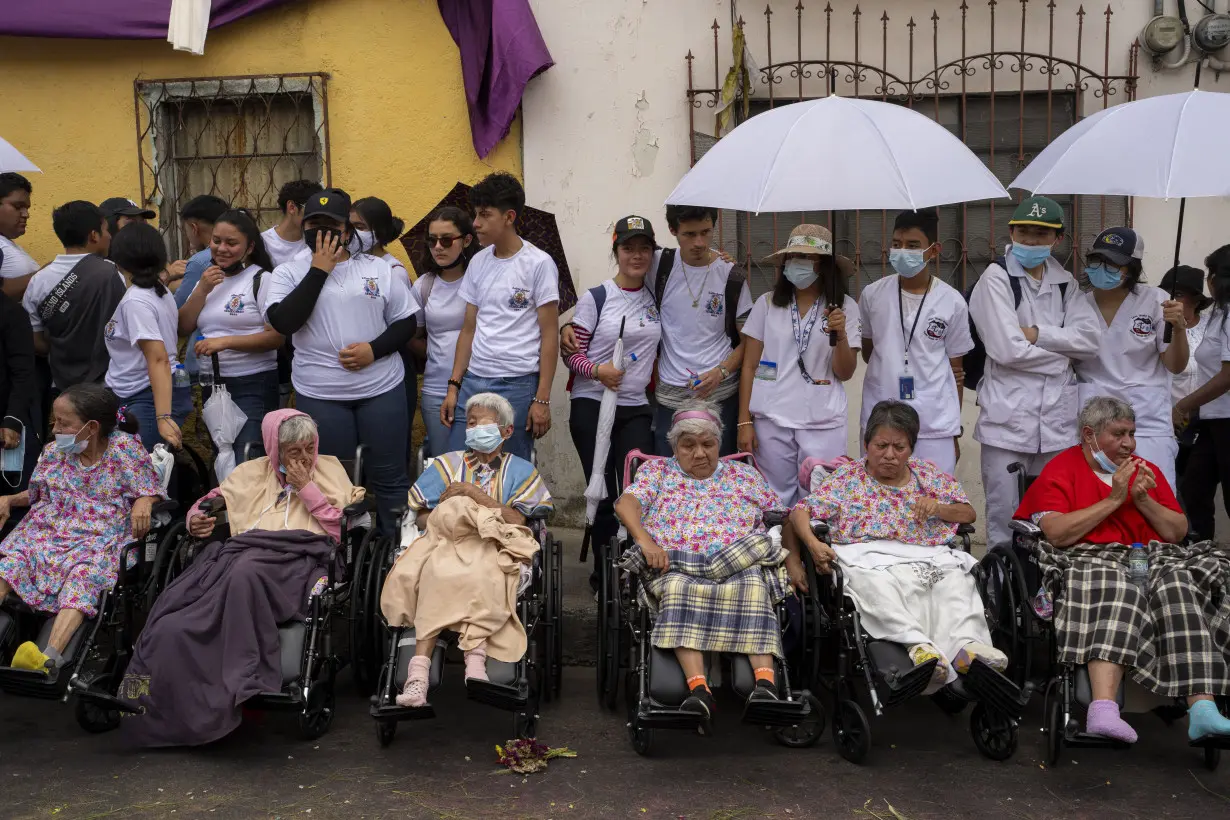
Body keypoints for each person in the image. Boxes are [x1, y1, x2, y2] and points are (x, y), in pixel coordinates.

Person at [119, 409, 363, 748]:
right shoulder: (249, 473)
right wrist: (195, 519)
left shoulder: (330, 470)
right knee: (170, 624)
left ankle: (244, 678)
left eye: (310, 447)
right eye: (294, 451)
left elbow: (346, 529)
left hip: (301, 559)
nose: (305, 457)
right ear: (275, 449)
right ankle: (145, 704)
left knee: (246, 572)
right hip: (241, 555)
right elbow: (208, 502)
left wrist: (308, 489)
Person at [1016, 396, 1230, 745]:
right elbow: (1057, 533)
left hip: (1150, 557)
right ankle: (1103, 709)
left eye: (1132, 433)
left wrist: (1143, 500)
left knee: (1179, 584)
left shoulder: (1145, 470)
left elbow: (1176, 532)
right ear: (1089, 435)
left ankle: (1203, 709)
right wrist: (1115, 499)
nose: (1129, 443)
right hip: (1090, 557)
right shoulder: (1062, 469)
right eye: (1119, 434)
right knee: (1119, 587)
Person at [790, 401, 1001, 693]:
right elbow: (800, 512)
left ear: (911, 449)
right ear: (866, 444)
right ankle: (919, 648)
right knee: (877, 588)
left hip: (927, 555)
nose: (889, 455)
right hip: (868, 557)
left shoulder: (927, 476)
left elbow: (968, 513)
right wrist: (813, 545)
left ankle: (968, 649)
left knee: (956, 584)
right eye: (881, 445)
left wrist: (939, 508)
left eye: (899, 447)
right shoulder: (848, 479)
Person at [613, 400, 789, 725]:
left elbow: (779, 515)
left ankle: (764, 686)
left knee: (754, 585)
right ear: (674, 447)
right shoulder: (656, 472)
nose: (699, 454)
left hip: (736, 563)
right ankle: (699, 691)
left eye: (708, 444)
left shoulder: (744, 475)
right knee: (677, 587)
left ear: (719, 444)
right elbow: (626, 505)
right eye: (688, 445)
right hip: (675, 564)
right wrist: (646, 541)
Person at [263, 188, 419, 536]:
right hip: (321, 393)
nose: (321, 231)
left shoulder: (378, 268)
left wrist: (373, 350)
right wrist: (319, 270)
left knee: (390, 477)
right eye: (313, 223)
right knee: (336, 479)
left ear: (347, 230)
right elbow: (284, 322)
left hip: (381, 388)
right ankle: (346, 557)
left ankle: (394, 553)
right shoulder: (288, 273)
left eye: (330, 224)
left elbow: (406, 322)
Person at [384, 392, 553, 707]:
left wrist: (475, 496)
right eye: (470, 422)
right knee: (434, 570)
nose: (474, 428)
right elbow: (420, 515)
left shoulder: (521, 471)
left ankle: (475, 662)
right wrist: (453, 515)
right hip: (446, 541)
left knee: (487, 570)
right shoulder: (447, 465)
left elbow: (519, 519)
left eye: (482, 422)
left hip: (494, 543)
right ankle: (417, 678)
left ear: (506, 431)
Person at [0, 384, 161, 674]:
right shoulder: (54, 452)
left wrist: (145, 500)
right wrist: (11, 499)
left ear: (92, 427)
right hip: (49, 528)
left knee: (83, 576)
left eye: (63, 422)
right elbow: (37, 493)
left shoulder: (124, 450)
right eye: (55, 421)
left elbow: (149, 488)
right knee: (13, 561)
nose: (55, 429)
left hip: (100, 536)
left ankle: (46, 658)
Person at [968, 195, 1099, 549]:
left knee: (1053, 513)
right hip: (1007, 424)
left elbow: (1089, 340)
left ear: (1057, 239)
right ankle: (1002, 596)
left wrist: (1039, 334)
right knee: (1004, 515)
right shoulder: (995, 279)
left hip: (1056, 423)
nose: (1031, 241)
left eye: (1041, 235)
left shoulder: (1065, 283)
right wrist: (1061, 358)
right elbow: (1006, 350)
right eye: (1024, 232)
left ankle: (1044, 591)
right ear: (1011, 233)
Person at [441, 173, 559, 462]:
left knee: (508, 467)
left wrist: (542, 398)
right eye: (475, 214)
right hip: (474, 380)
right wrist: (454, 386)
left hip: (518, 383)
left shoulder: (538, 263)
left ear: (508, 217)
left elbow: (549, 336)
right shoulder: (479, 261)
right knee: (461, 462)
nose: (476, 223)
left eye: (484, 215)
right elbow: (468, 329)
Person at [738, 224, 858, 506]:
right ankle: (782, 549)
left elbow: (846, 372)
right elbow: (749, 365)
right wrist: (745, 421)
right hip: (772, 419)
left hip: (822, 422)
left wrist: (839, 335)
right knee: (774, 500)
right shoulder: (767, 304)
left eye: (805, 258)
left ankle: (815, 551)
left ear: (824, 266)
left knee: (821, 500)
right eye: (792, 257)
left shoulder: (844, 307)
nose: (796, 264)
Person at [565, 215, 661, 556]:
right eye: (628, 248)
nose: (636, 256)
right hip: (591, 403)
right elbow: (571, 356)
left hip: (635, 406)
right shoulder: (597, 297)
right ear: (616, 251)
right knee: (602, 489)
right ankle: (603, 573)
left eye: (644, 249)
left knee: (637, 489)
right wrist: (596, 371)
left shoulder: (656, 297)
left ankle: (633, 567)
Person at [860, 209, 972, 476]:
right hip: (882, 417)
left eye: (912, 246)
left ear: (933, 250)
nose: (902, 252)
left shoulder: (952, 300)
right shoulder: (872, 294)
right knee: (880, 501)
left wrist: (954, 431)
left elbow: (956, 371)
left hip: (934, 421)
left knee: (933, 500)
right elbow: (868, 352)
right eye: (896, 244)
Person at [1074, 227, 1186, 491]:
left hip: (1146, 419)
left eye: (1113, 263)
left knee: (1155, 494)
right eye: (1097, 261)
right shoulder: (1077, 303)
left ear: (1132, 268)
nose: (1103, 268)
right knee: (1098, 497)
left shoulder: (1157, 302)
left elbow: (1175, 365)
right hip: (1095, 419)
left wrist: (1179, 328)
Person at [176, 209, 283, 461]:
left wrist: (224, 343)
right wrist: (201, 289)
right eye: (216, 241)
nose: (221, 248)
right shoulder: (208, 280)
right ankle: (226, 502)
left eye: (231, 243)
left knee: (246, 457)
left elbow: (276, 337)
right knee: (222, 457)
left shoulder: (262, 279)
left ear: (249, 247)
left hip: (252, 383)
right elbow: (183, 326)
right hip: (213, 385)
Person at [104, 223, 189, 452]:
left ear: (118, 259)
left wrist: (162, 416)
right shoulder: (157, 289)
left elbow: (157, 358)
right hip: (139, 393)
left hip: (146, 396)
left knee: (147, 476)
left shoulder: (137, 300)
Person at [23, 201, 125, 393]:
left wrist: (62, 352)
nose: (110, 236)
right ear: (93, 236)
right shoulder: (110, 273)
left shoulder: (38, 280)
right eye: (106, 230)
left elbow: (34, 339)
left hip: (60, 385)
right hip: (104, 384)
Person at [350, 196, 417, 456]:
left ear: (378, 232)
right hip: (358, 364)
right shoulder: (350, 265)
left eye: (361, 226)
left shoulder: (392, 270)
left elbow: (400, 327)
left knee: (388, 449)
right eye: (350, 224)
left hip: (388, 364)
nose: (353, 232)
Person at [410, 207, 477, 458]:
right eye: (432, 240)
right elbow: (412, 336)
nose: (438, 246)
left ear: (467, 240)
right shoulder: (424, 285)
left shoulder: (480, 280)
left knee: (483, 465)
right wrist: (437, 353)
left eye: (447, 240)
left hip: (479, 386)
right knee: (444, 463)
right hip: (437, 389)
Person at [1175, 245, 1230, 542]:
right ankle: (1203, 559)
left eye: (1212, 273)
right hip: (1212, 420)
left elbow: (1227, 376)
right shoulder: (1220, 313)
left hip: (1225, 418)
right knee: (1194, 490)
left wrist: (1185, 404)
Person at [1162, 264, 1213, 490]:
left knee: (1198, 489)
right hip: (1168, 424)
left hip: (1206, 424)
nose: (1170, 299)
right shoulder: (1158, 328)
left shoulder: (1213, 329)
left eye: (1179, 294)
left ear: (1196, 300)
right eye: (1167, 293)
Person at [172, 195, 230, 382]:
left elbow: (175, 311)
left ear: (194, 228)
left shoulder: (199, 261)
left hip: (203, 358)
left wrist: (167, 280)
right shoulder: (241, 254)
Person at [261, 179, 323, 268]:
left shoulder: (316, 241)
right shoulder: (263, 244)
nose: (318, 215)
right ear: (292, 207)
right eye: (312, 208)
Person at [0, 173, 38, 301]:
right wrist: (45, 273)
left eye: (27, 208)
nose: (26, 214)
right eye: (18, 207)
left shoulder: (7, 243)